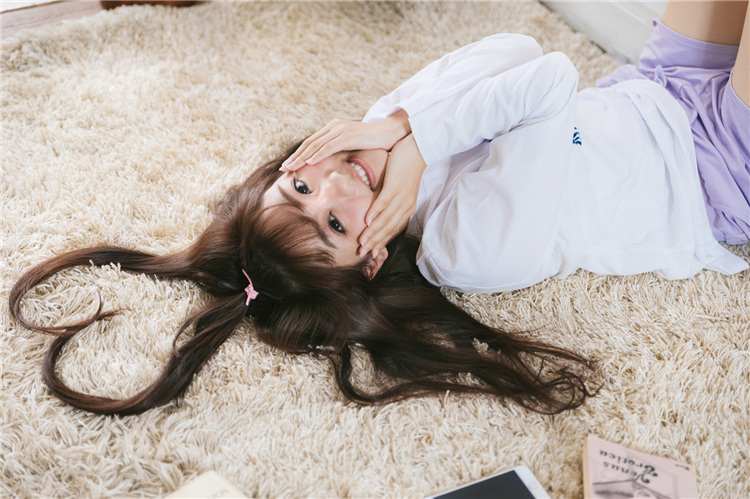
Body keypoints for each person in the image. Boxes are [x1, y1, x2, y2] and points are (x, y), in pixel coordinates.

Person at [10, 1, 749, 416]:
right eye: (334, 224)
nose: (335, 185)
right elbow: (550, 76)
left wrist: (396, 126)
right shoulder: (468, 251)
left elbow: (516, 44)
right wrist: (418, 137)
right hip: (719, 174)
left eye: (299, 188)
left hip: (656, 85)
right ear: (370, 259)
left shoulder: (386, 146)